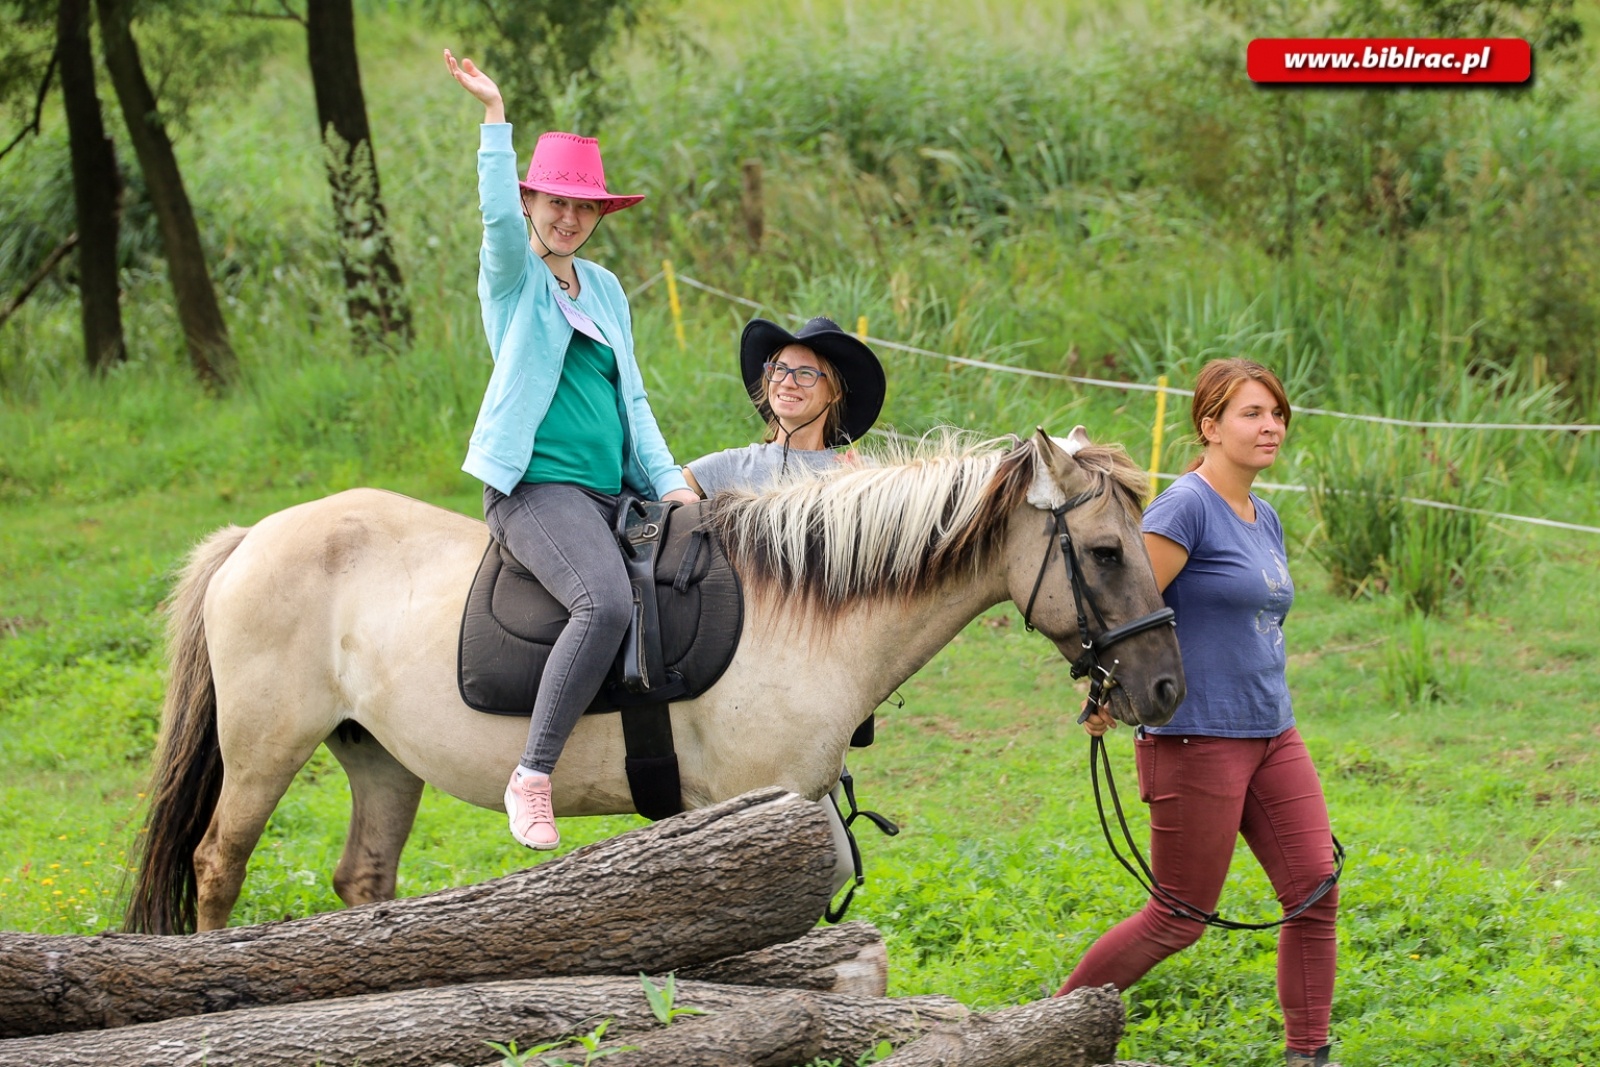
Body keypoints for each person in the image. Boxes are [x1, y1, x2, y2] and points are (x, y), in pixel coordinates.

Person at [445, 50, 698, 853]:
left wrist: (671, 484)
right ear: (533, 202)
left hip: (609, 489)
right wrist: (494, 118)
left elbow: (635, 401)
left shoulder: (609, 287)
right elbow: (493, 220)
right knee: (606, 603)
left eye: (583, 208)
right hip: (537, 488)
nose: (569, 218)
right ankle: (534, 772)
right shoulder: (515, 275)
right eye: (556, 203)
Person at [1061, 359, 1341, 1067]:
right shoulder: (1185, 507)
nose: (1270, 425)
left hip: (1273, 731)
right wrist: (1102, 691)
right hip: (1196, 736)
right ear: (1210, 426)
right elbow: (1127, 612)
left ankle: (1309, 1054)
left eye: (1276, 412)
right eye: (1252, 413)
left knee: (1314, 888)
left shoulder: (1264, 513)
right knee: (1180, 915)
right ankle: (1047, 1031)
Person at [682, 316, 885, 498]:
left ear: (834, 393)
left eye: (806, 373)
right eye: (779, 369)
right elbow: (662, 501)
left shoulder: (857, 474)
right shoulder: (729, 468)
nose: (787, 382)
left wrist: (864, 488)